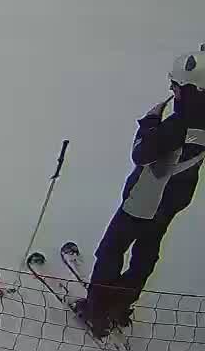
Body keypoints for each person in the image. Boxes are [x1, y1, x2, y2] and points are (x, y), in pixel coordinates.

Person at [80, 48, 205, 335]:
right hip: (175, 198)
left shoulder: (177, 125)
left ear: (191, 90)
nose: (172, 90)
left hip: (145, 198)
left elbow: (141, 153)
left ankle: (96, 308)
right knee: (146, 251)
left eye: (176, 85)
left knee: (112, 248)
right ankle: (121, 304)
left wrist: (149, 123)